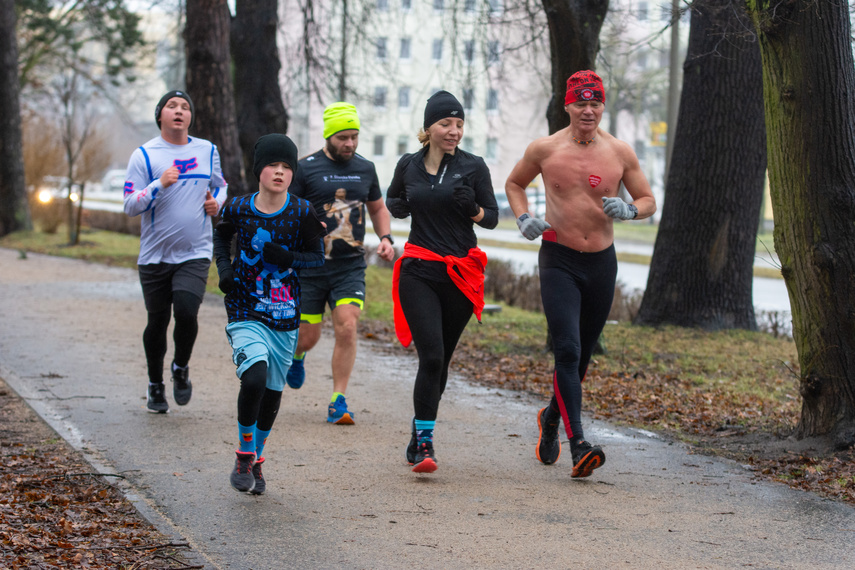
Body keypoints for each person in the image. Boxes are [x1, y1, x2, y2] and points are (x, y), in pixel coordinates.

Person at [505, 70, 657, 478]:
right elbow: (514, 183)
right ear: (568, 106)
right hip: (559, 259)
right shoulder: (544, 149)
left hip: (601, 263)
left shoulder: (620, 152)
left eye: (595, 103)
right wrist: (523, 218)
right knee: (567, 351)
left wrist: (630, 210)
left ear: (602, 106)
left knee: (583, 356)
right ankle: (579, 445)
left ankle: (551, 418)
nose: (588, 110)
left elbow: (647, 200)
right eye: (580, 103)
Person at [386, 90, 499, 473]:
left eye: (459, 124)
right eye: (445, 124)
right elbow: (393, 198)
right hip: (419, 269)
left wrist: (474, 209)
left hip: (461, 274)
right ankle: (425, 445)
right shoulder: (409, 164)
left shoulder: (474, 166)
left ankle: (420, 429)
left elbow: (493, 219)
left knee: (441, 360)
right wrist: (398, 206)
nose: (454, 131)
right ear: (428, 128)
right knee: (431, 355)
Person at [212, 134, 326, 494]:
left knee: (273, 393)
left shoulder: (302, 212)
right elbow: (221, 238)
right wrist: (225, 271)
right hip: (245, 309)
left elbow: (317, 257)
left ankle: (258, 458)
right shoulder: (238, 207)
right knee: (255, 378)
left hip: (285, 315)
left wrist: (288, 258)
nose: (279, 172)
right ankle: (244, 453)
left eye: (286, 167)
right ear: (259, 170)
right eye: (272, 166)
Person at [287, 102, 394, 425]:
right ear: (329, 136)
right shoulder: (304, 168)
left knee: (347, 325)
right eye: (343, 137)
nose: (350, 144)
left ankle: (338, 400)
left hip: (349, 265)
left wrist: (386, 238)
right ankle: (298, 354)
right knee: (308, 336)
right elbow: (288, 210)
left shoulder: (365, 168)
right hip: (311, 267)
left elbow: (377, 208)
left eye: (355, 137)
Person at [123, 90, 227, 414]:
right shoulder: (144, 155)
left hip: (195, 251)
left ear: (190, 116)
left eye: (185, 107)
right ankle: (155, 383)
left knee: (185, 311)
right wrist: (159, 184)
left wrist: (217, 203)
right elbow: (129, 205)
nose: (179, 111)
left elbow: (221, 185)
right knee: (157, 321)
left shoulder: (207, 150)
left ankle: (180, 367)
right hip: (154, 255)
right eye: (172, 106)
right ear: (160, 115)